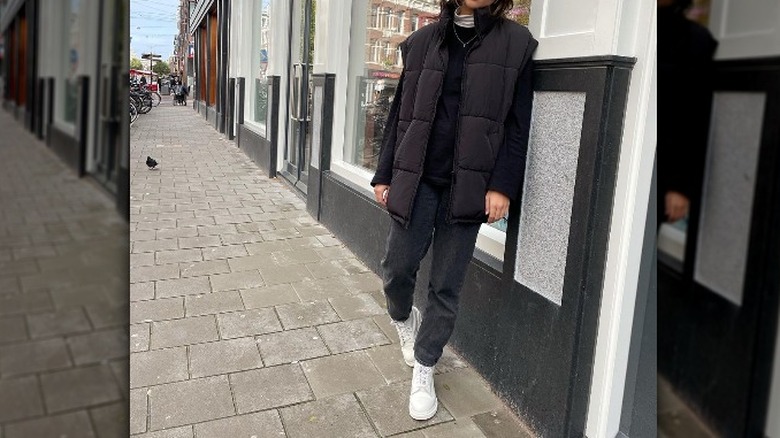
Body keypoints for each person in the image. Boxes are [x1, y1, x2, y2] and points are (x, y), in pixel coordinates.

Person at [370, 0, 537, 421]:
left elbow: (519, 125)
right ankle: (404, 320)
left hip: (470, 186)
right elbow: (399, 116)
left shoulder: (516, 43)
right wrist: (384, 174)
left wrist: (502, 185)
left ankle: (425, 366)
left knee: (446, 283)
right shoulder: (422, 42)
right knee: (396, 267)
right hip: (418, 177)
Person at [657, 0, 717, 225]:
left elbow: (696, 116)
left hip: (661, 166)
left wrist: (680, 185)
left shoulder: (695, 40)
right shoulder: (629, 27)